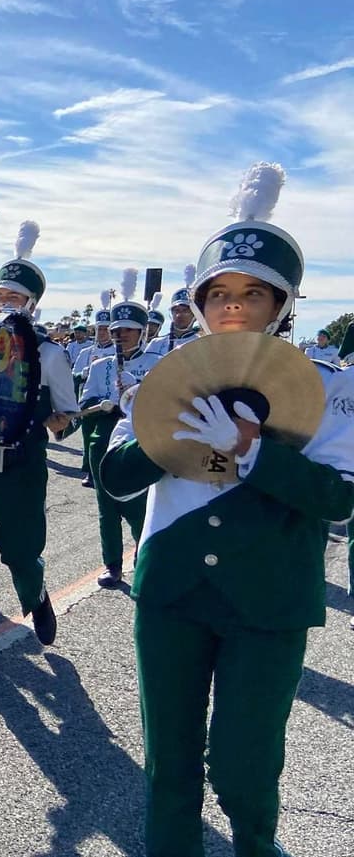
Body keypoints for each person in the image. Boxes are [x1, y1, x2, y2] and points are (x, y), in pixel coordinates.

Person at [99, 162, 354, 857]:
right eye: (218, 292)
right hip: (173, 592)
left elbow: (339, 499)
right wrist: (168, 427)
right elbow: (115, 478)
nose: (233, 305)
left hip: (268, 599)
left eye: (253, 292)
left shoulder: (332, 390)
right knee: (169, 769)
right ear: (199, 301)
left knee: (243, 771)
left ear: (282, 304)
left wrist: (252, 452)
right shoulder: (164, 377)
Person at [0, 221, 78, 675]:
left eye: (13, 298)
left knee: (21, 552)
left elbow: (69, 414)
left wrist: (48, 423)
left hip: (22, 467)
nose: (3, 304)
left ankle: (36, 593)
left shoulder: (50, 354)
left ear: (32, 305)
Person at [78, 271, 160, 588]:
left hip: (141, 441)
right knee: (107, 510)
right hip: (103, 440)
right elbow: (83, 405)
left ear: (142, 333)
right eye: (116, 330)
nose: (120, 335)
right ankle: (112, 565)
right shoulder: (100, 366)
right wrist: (102, 402)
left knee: (140, 507)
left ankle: (144, 557)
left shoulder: (157, 363)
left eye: (128, 330)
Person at [73, 300, 116, 488]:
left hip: (110, 401)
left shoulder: (117, 351)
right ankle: (89, 471)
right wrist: (82, 374)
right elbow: (73, 373)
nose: (103, 332)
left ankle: (106, 470)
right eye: (100, 329)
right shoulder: (85, 352)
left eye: (107, 329)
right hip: (88, 399)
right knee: (88, 436)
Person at [146, 264, 201, 357]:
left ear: (195, 315)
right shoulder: (156, 344)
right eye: (176, 310)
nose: (180, 315)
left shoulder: (201, 343)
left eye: (185, 311)